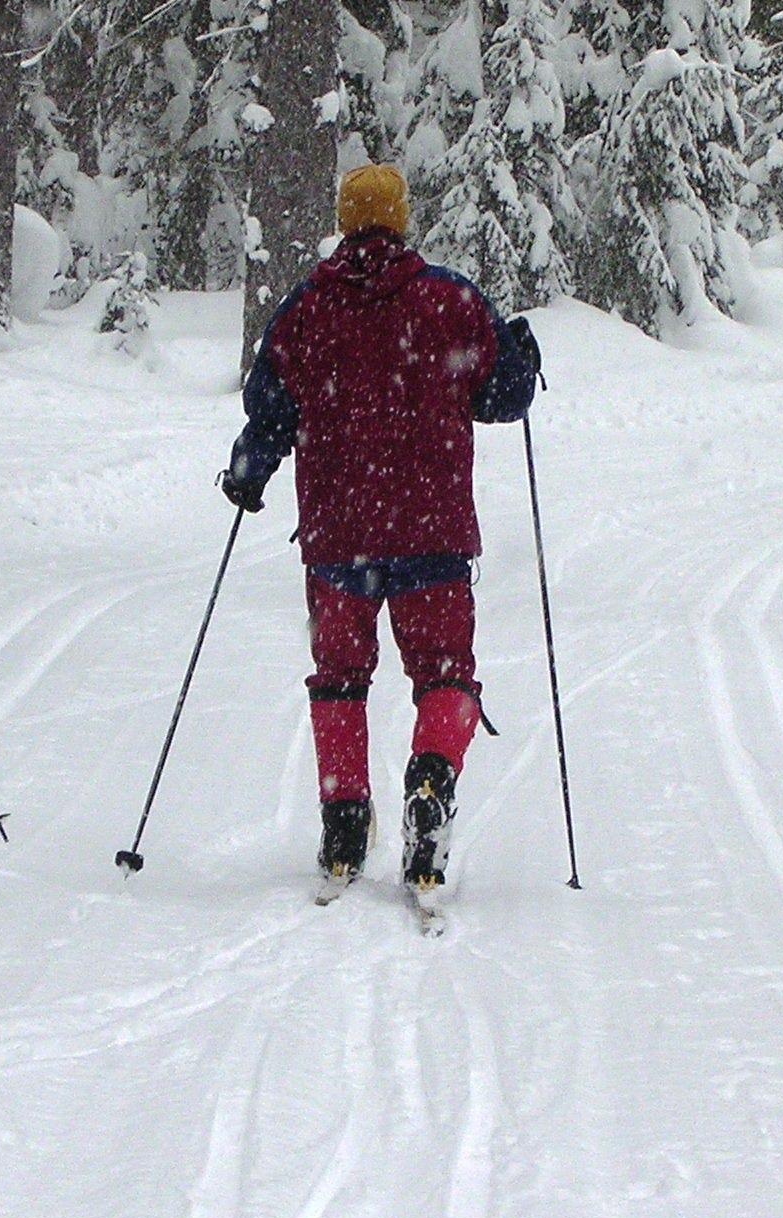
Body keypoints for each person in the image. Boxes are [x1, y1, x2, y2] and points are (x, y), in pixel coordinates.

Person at [221, 163, 542, 907]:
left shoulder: (305, 312)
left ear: (345, 222)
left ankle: (342, 820)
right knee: (443, 674)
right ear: (400, 223)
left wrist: (248, 473)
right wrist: (520, 358)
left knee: (340, 675)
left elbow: (268, 409)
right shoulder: (450, 301)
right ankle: (431, 773)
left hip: (339, 539)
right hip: (431, 532)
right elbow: (504, 398)